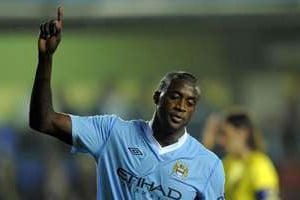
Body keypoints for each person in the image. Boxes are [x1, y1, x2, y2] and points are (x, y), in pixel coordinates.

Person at [29, 7, 225, 200]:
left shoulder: (208, 165)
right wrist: (46, 58)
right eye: (175, 96)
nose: (181, 106)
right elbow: (43, 121)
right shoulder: (111, 133)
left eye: (190, 102)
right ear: (157, 98)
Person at [203, 112, 280, 200]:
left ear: (242, 133)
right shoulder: (227, 163)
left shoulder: (260, 164)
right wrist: (207, 144)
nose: (221, 140)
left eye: (225, 134)